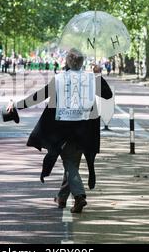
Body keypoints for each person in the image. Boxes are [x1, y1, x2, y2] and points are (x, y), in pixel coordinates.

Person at [6, 48, 113, 213]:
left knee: (70, 163)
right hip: (85, 129)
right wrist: (98, 75)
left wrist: (16, 105)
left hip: (62, 129)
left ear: (67, 62)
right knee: (72, 163)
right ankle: (62, 198)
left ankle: (79, 196)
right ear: (82, 62)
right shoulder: (92, 79)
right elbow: (107, 95)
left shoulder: (59, 79)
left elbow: (38, 97)